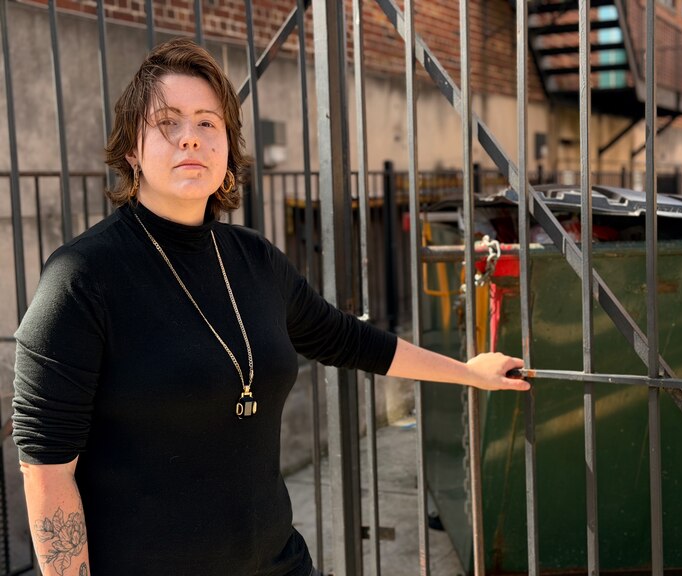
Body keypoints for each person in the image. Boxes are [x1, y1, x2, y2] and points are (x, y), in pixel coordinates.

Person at [12, 37, 529, 576]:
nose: (190, 137)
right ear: (132, 151)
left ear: (228, 149)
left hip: (278, 562)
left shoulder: (255, 260)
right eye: (167, 121)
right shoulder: (81, 277)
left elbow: (347, 339)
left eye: (208, 123)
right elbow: (46, 470)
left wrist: (468, 374)